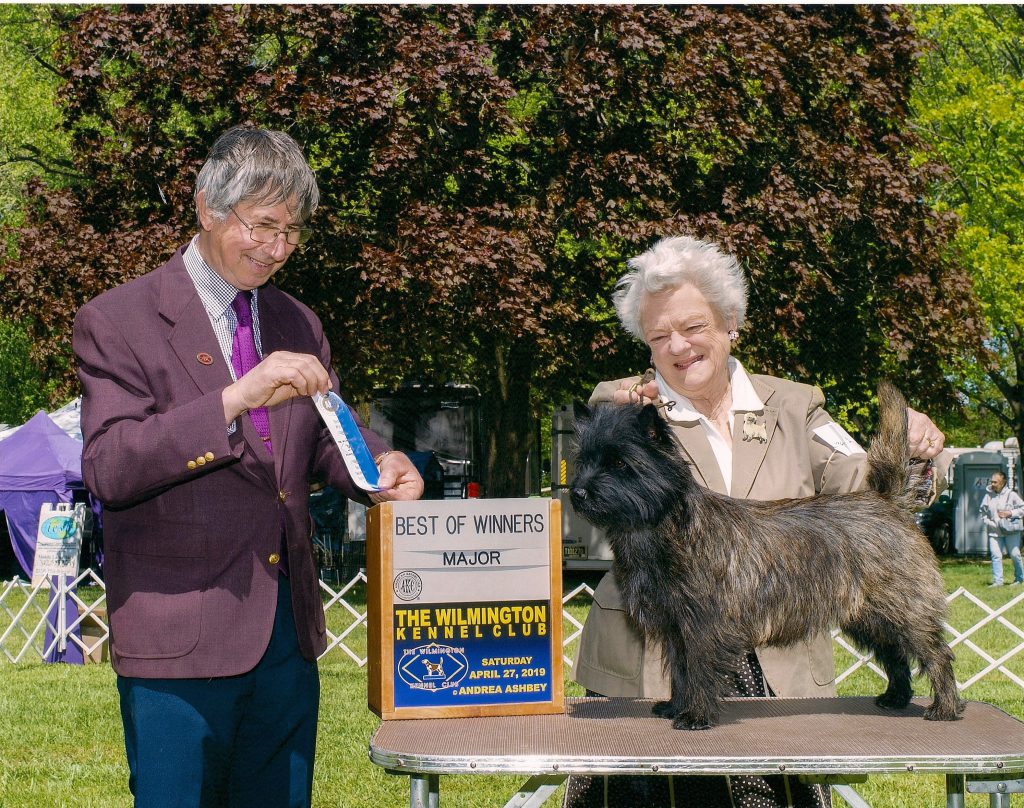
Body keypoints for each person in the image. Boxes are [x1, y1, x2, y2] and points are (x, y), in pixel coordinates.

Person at [73, 126, 424, 808]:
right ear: (207, 206)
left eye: (292, 232)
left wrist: (378, 465)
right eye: (262, 225)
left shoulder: (300, 322)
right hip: (177, 640)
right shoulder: (117, 320)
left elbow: (322, 437)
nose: (276, 248)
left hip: (286, 638)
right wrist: (235, 398)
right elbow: (110, 466)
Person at [565, 235, 947, 808]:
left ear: (731, 323)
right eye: (659, 335)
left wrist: (913, 451)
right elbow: (599, 442)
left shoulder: (795, 406)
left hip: (774, 664)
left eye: (693, 326)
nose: (678, 346)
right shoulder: (629, 408)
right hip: (651, 671)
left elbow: (865, 494)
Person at [979, 470, 1024, 587]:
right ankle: (998, 582)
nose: (993, 484)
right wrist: (990, 523)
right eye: (992, 481)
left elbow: (1022, 508)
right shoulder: (988, 495)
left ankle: (1020, 578)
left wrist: (1010, 513)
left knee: (1015, 554)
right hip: (994, 532)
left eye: (996, 482)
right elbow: (982, 513)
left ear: (1003, 482)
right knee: (996, 555)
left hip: (1011, 531)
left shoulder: (1011, 495)